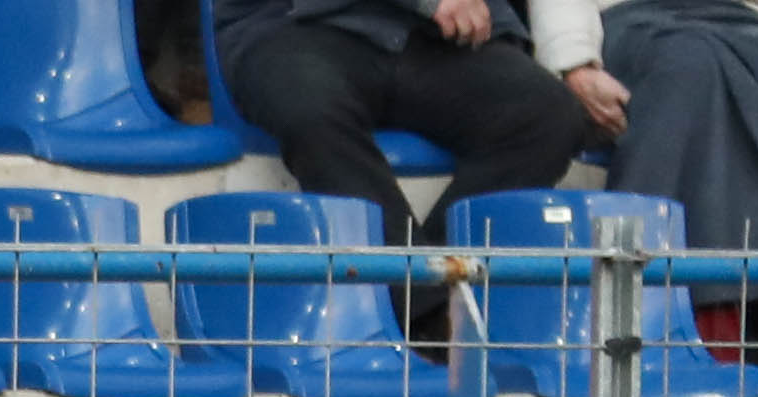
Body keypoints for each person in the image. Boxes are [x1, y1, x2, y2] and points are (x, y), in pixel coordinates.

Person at [209, 0, 596, 340]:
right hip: (290, 26)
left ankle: (443, 288)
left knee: (549, 116)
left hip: (431, 37)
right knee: (310, 111)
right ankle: (424, 310)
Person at [529, 0, 758, 329]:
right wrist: (574, 62)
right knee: (689, 64)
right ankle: (657, 316)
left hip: (751, 29)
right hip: (637, 25)